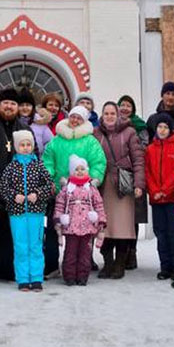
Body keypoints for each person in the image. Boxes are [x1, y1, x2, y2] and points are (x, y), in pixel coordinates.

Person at [42, 105, 107, 278]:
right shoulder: (56, 140)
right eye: (73, 116)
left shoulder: (89, 141)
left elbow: (98, 161)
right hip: (60, 191)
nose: (75, 120)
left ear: (84, 121)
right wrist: (51, 180)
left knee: (83, 231)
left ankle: (82, 266)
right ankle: (52, 264)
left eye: (79, 118)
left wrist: (92, 180)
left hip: (83, 195)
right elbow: (48, 160)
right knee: (54, 227)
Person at [0, 88, 36, 281]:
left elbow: (33, 156)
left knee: (14, 231)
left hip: (18, 188)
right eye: (6, 102)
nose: (9, 106)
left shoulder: (24, 129)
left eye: (13, 104)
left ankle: (10, 270)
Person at [94, 102, 145, 279]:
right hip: (102, 185)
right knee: (104, 226)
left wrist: (139, 184)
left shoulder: (129, 132)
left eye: (112, 113)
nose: (109, 116)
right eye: (106, 113)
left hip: (123, 185)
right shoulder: (96, 133)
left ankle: (119, 264)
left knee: (122, 227)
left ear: (117, 115)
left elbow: (138, 159)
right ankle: (107, 263)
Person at [0, 130, 53, 292]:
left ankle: (36, 278)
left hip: (36, 212)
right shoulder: (11, 167)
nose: (25, 148)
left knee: (35, 245)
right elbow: (3, 187)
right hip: (17, 214)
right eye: (22, 145)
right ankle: (23, 279)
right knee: (21, 246)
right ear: (16, 147)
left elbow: (49, 185)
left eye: (28, 144)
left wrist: (38, 194)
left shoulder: (39, 165)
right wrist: (14, 196)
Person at [53, 155, 107, 286]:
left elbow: (98, 204)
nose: (80, 171)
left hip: (87, 225)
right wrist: (58, 219)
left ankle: (83, 276)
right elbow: (60, 204)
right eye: (76, 169)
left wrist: (101, 219)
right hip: (71, 226)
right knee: (70, 252)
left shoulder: (91, 189)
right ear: (72, 172)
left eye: (82, 169)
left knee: (85, 253)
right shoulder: (67, 189)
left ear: (86, 170)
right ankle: (69, 276)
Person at [145, 113, 174, 280]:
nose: (162, 130)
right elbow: (148, 172)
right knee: (160, 233)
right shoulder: (150, 149)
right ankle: (165, 266)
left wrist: (165, 190)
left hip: (172, 198)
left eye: (165, 127)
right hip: (156, 199)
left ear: (170, 129)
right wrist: (155, 190)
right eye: (160, 127)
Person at [117, 94, 149, 270]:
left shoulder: (140, 126)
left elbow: (143, 147)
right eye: (122, 105)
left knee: (133, 217)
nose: (125, 108)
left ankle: (131, 252)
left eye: (128, 105)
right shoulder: (113, 125)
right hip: (117, 174)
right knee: (119, 215)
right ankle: (120, 253)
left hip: (134, 172)